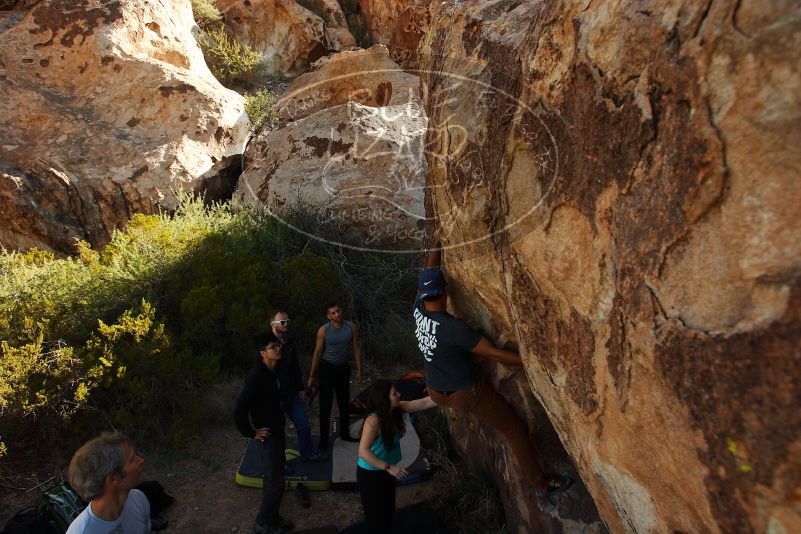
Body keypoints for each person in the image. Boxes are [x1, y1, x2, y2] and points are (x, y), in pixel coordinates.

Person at [414, 240, 571, 497]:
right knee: (514, 430)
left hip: (436, 389)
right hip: (465, 392)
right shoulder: (454, 329)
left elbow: (430, 273)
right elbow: (495, 354)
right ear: (446, 293)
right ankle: (541, 484)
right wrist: (532, 362)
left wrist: (437, 247)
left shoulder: (418, 311)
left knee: (462, 352)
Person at [356, 379, 436, 533]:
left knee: (388, 510)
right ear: (384, 399)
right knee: (375, 517)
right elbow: (363, 451)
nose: (399, 394)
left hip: (387, 471)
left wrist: (450, 397)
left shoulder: (397, 408)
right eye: (394, 393)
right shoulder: (373, 421)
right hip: (370, 474)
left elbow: (424, 403)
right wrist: (388, 467)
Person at [234, 333, 294, 534]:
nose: (277, 349)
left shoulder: (273, 371)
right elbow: (239, 410)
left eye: (278, 346)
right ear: (262, 353)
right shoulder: (257, 376)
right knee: (275, 481)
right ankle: (263, 523)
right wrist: (251, 432)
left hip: (277, 430)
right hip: (268, 435)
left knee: (276, 478)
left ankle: (273, 517)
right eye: (272, 347)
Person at [66, 432, 149, 534]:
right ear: (113, 479)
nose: (141, 460)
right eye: (132, 460)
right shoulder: (81, 532)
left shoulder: (138, 499)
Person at [308, 302, 363, 453]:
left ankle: (345, 434)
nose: (337, 314)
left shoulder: (351, 327)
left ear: (341, 311)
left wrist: (359, 369)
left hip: (343, 369)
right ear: (329, 316)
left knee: (344, 402)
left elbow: (356, 347)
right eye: (333, 313)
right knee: (325, 404)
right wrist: (312, 375)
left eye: (338, 311)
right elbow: (318, 352)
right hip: (327, 368)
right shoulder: (324, 330)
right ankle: (324, 439)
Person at [270, 310, 323, 462]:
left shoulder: (289, 341)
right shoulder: (268, 345)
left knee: (303, 424)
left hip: (292, 392)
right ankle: (279, 462)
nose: (286, 324)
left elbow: (295, 367)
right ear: (273, 324)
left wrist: (301, 388)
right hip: (277, 396)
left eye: (288, 321)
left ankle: (307, 453)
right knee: (278, 432)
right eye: (282, 322)